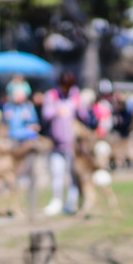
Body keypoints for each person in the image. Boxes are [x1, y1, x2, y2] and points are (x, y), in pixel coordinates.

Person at [41, 71, 86, 216]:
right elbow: (46, 115)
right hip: (56, 143)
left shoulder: (76, 96)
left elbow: (85, 116)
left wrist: (79, 106)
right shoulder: (52, 96)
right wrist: (56, 110)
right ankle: (57, 201)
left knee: (73, 174)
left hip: (73, 145)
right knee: (57, 173)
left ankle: (72, 202)